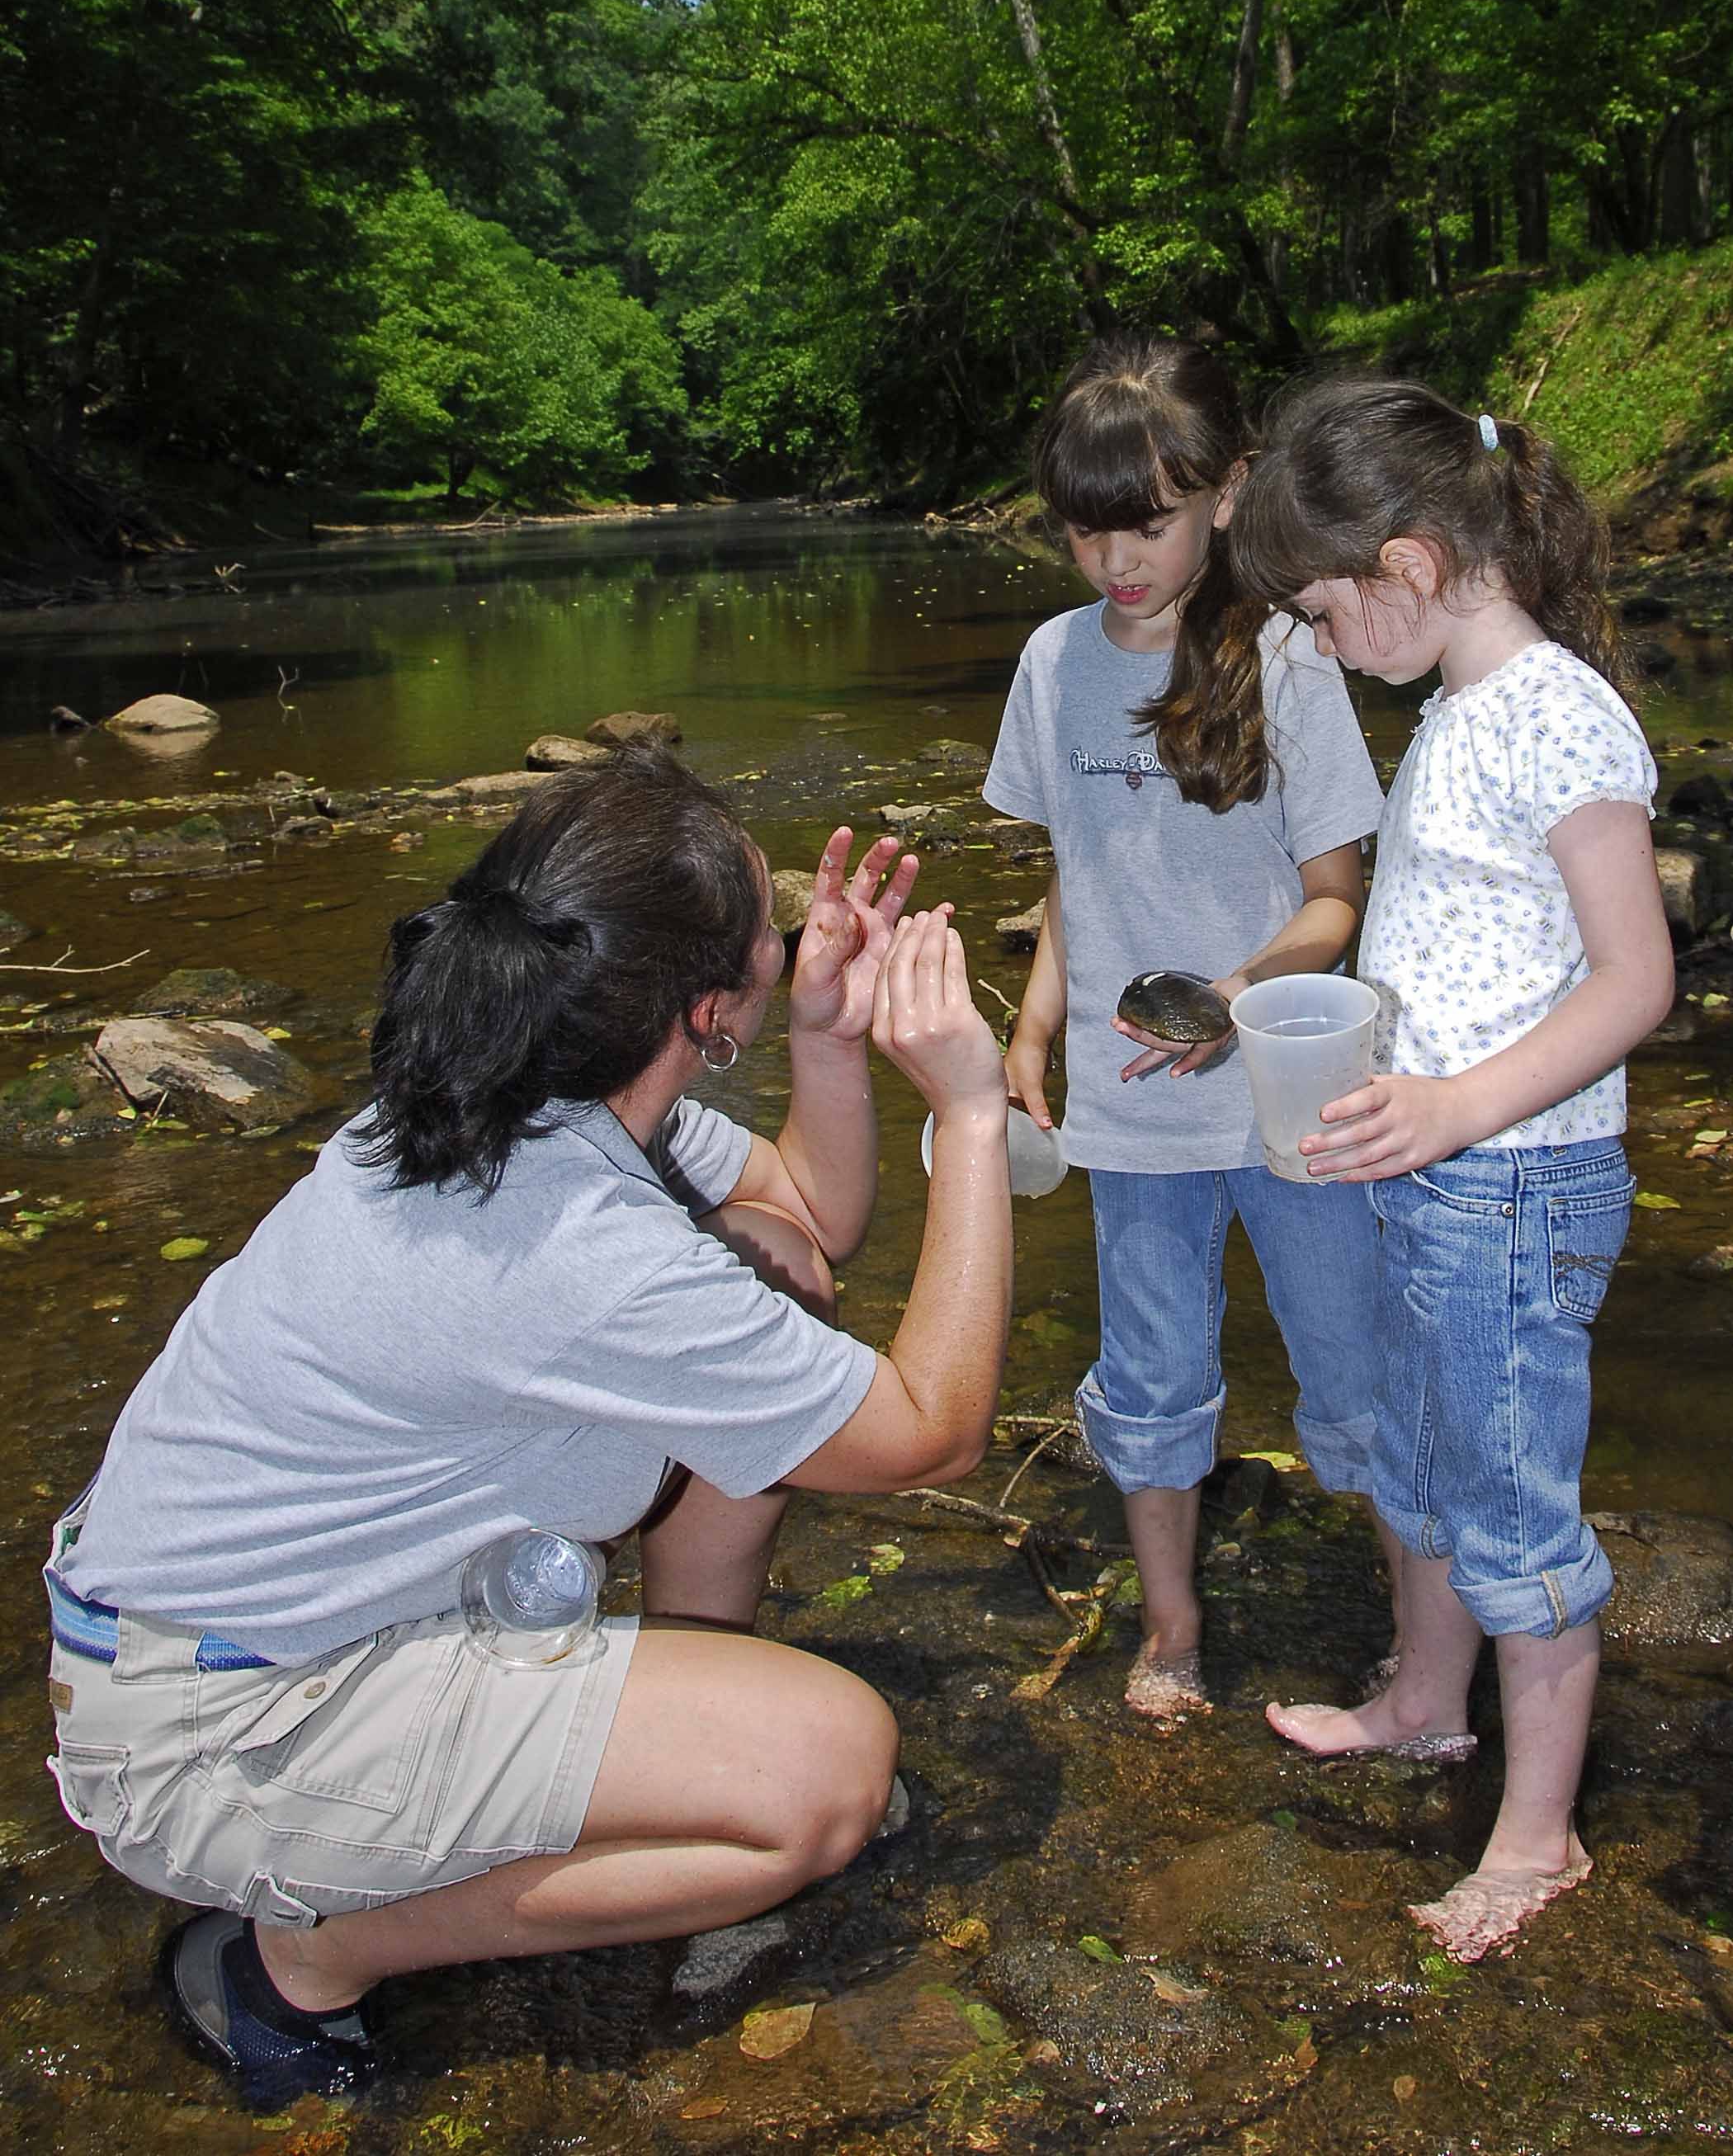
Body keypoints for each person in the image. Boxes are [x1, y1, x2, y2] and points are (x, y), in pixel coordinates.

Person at [43, 744, 1013, 2107]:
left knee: (764, 1285)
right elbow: (931, 1435)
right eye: (771, 930)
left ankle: (675, 1732)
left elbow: (806, 1216)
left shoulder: (515, 1082)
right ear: (699, 1008)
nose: (792, 936)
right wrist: (970, 1114)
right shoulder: (567, 1237)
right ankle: (305, 1957)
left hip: (224, 1636)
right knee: (829, 1775)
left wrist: (824, 1035)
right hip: (215, 1729)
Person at [1229, 380, 1674, 1962]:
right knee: (1425, 1447)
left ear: (1411, 566)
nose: (1326, 644)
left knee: (1508, 1495)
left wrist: (1456, 1107)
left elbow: (1635, 983)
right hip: (1441, 1173)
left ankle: (1541, 1838)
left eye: (1326, 611)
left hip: (1517, 1181)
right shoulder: (1457, 707)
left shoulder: (1555, 712)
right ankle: (1426, 1703)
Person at [984, 333, 1391, 1727]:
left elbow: (1337, 897)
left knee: (1351, 1361)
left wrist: (1231, 1000)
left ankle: (1419, 1616)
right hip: (1130, 1105)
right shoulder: (1051, 664)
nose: (1118, 563)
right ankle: (1172, 1622)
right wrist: (1033, 1027)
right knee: (1152, 1375)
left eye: (1148, 525)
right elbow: (1072, 873)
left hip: (1291, 1093)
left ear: (1226, 495)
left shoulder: (1286, 653)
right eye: (1088, 533)